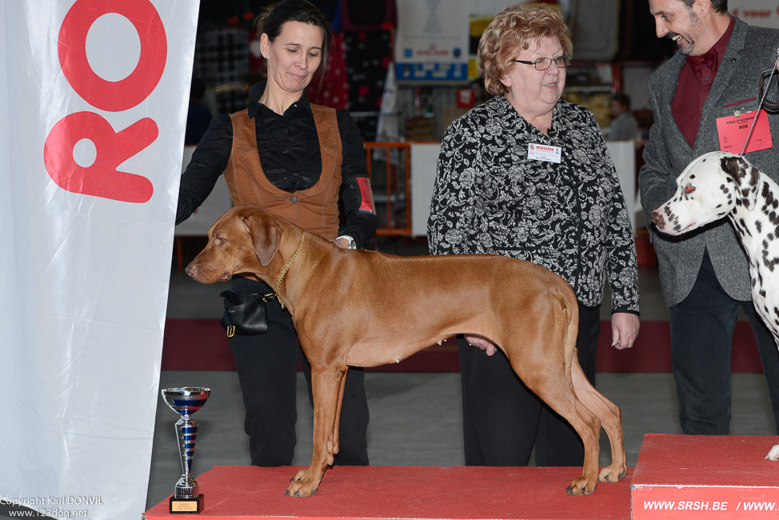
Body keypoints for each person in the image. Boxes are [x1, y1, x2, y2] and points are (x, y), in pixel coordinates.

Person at [427, 4, 640, 467]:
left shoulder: (583, 126)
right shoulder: (472, 134)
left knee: (571, 455)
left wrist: (624, 301)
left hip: (575, 315)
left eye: (558, 59)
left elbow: (615, 217)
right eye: (537, 61)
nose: (552, 71)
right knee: (501, 462)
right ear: (503, 71)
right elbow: (447, 236)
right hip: (502, 322)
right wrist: (466, 318)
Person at [176, 0, 377, 466]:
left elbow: (363, 206)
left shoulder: (339, 124)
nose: (302, 64)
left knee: (348, 438)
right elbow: (182, 201)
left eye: (313, 53)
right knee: (269, 436)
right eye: (292, 49)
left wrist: (348, 242)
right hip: (256, 305)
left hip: (335, 300)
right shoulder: (227, 130)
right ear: (265, 47)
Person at [639, 0, 779, 435]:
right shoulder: (663, 80)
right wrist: (672, 211)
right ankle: (703, 505)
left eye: (666, 16)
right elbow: (655, 168)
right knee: (700, 419)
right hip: (690, 264)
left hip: (768, 261)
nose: (660, 31)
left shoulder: (770, 52)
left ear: (700, 4)